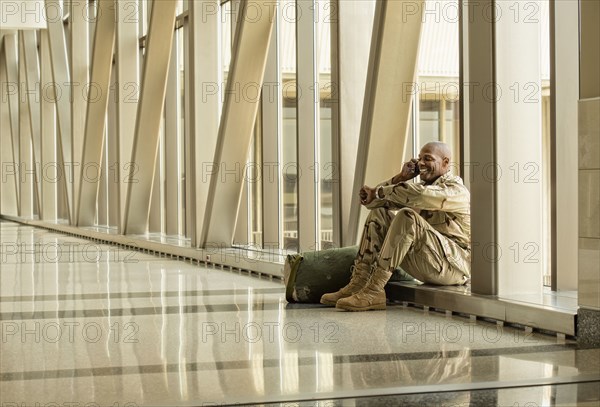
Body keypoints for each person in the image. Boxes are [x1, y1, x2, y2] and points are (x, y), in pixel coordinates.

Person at [321, 141, 471, 311]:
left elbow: (420, 196)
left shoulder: (456, 190)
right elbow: (372, 202)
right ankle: (359, 284)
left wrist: (379, 191)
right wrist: (401, 178)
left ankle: (374, 290)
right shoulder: (418, 188)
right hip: (428, 260)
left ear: (445, 163)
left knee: (407, 216)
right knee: (379, 213)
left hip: (453, 269)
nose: (420, 163)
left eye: (427, 159)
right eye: (419, 159)